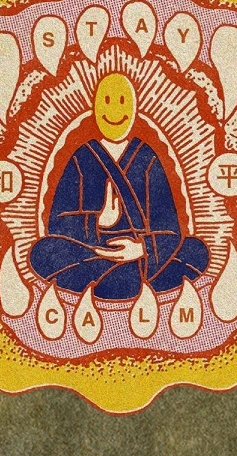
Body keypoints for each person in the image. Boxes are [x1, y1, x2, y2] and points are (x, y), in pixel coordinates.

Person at [29, 72, 209, 300]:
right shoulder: (81, 156)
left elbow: (172, 229)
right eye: (106, 101)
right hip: (94, 251)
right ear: (95, 108)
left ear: (133, 108)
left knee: (196, 251)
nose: (114, 111)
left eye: (122, 101)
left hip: (139, 255)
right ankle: (125, 280)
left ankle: (116, 279)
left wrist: (140, 249)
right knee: (42, 251)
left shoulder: (147, 157)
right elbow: (56, 225)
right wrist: (98, 221)